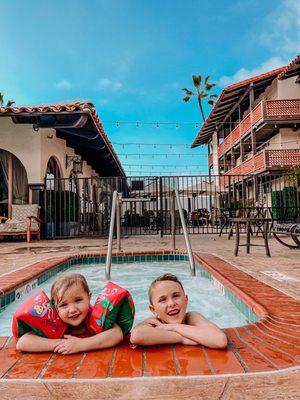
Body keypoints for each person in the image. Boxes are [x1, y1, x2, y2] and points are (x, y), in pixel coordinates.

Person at [16, 273, 123, 354]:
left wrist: (81, 345)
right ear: (55, 307)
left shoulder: (95, 316)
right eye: (63, 305)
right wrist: (61, 344)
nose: (72, 310)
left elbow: (117, 334)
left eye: (78, 300)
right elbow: (22, 343)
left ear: (89, 297)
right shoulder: (52, 321)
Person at [130, 273, 227, 348]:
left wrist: (173, 327)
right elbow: (136, 336)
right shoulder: (154, 322)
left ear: (186, 300)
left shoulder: (191, 317)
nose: (171, 303)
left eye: (176, 296)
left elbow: (220, 340)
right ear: (153, 310)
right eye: (163, 300)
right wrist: (182, 338)